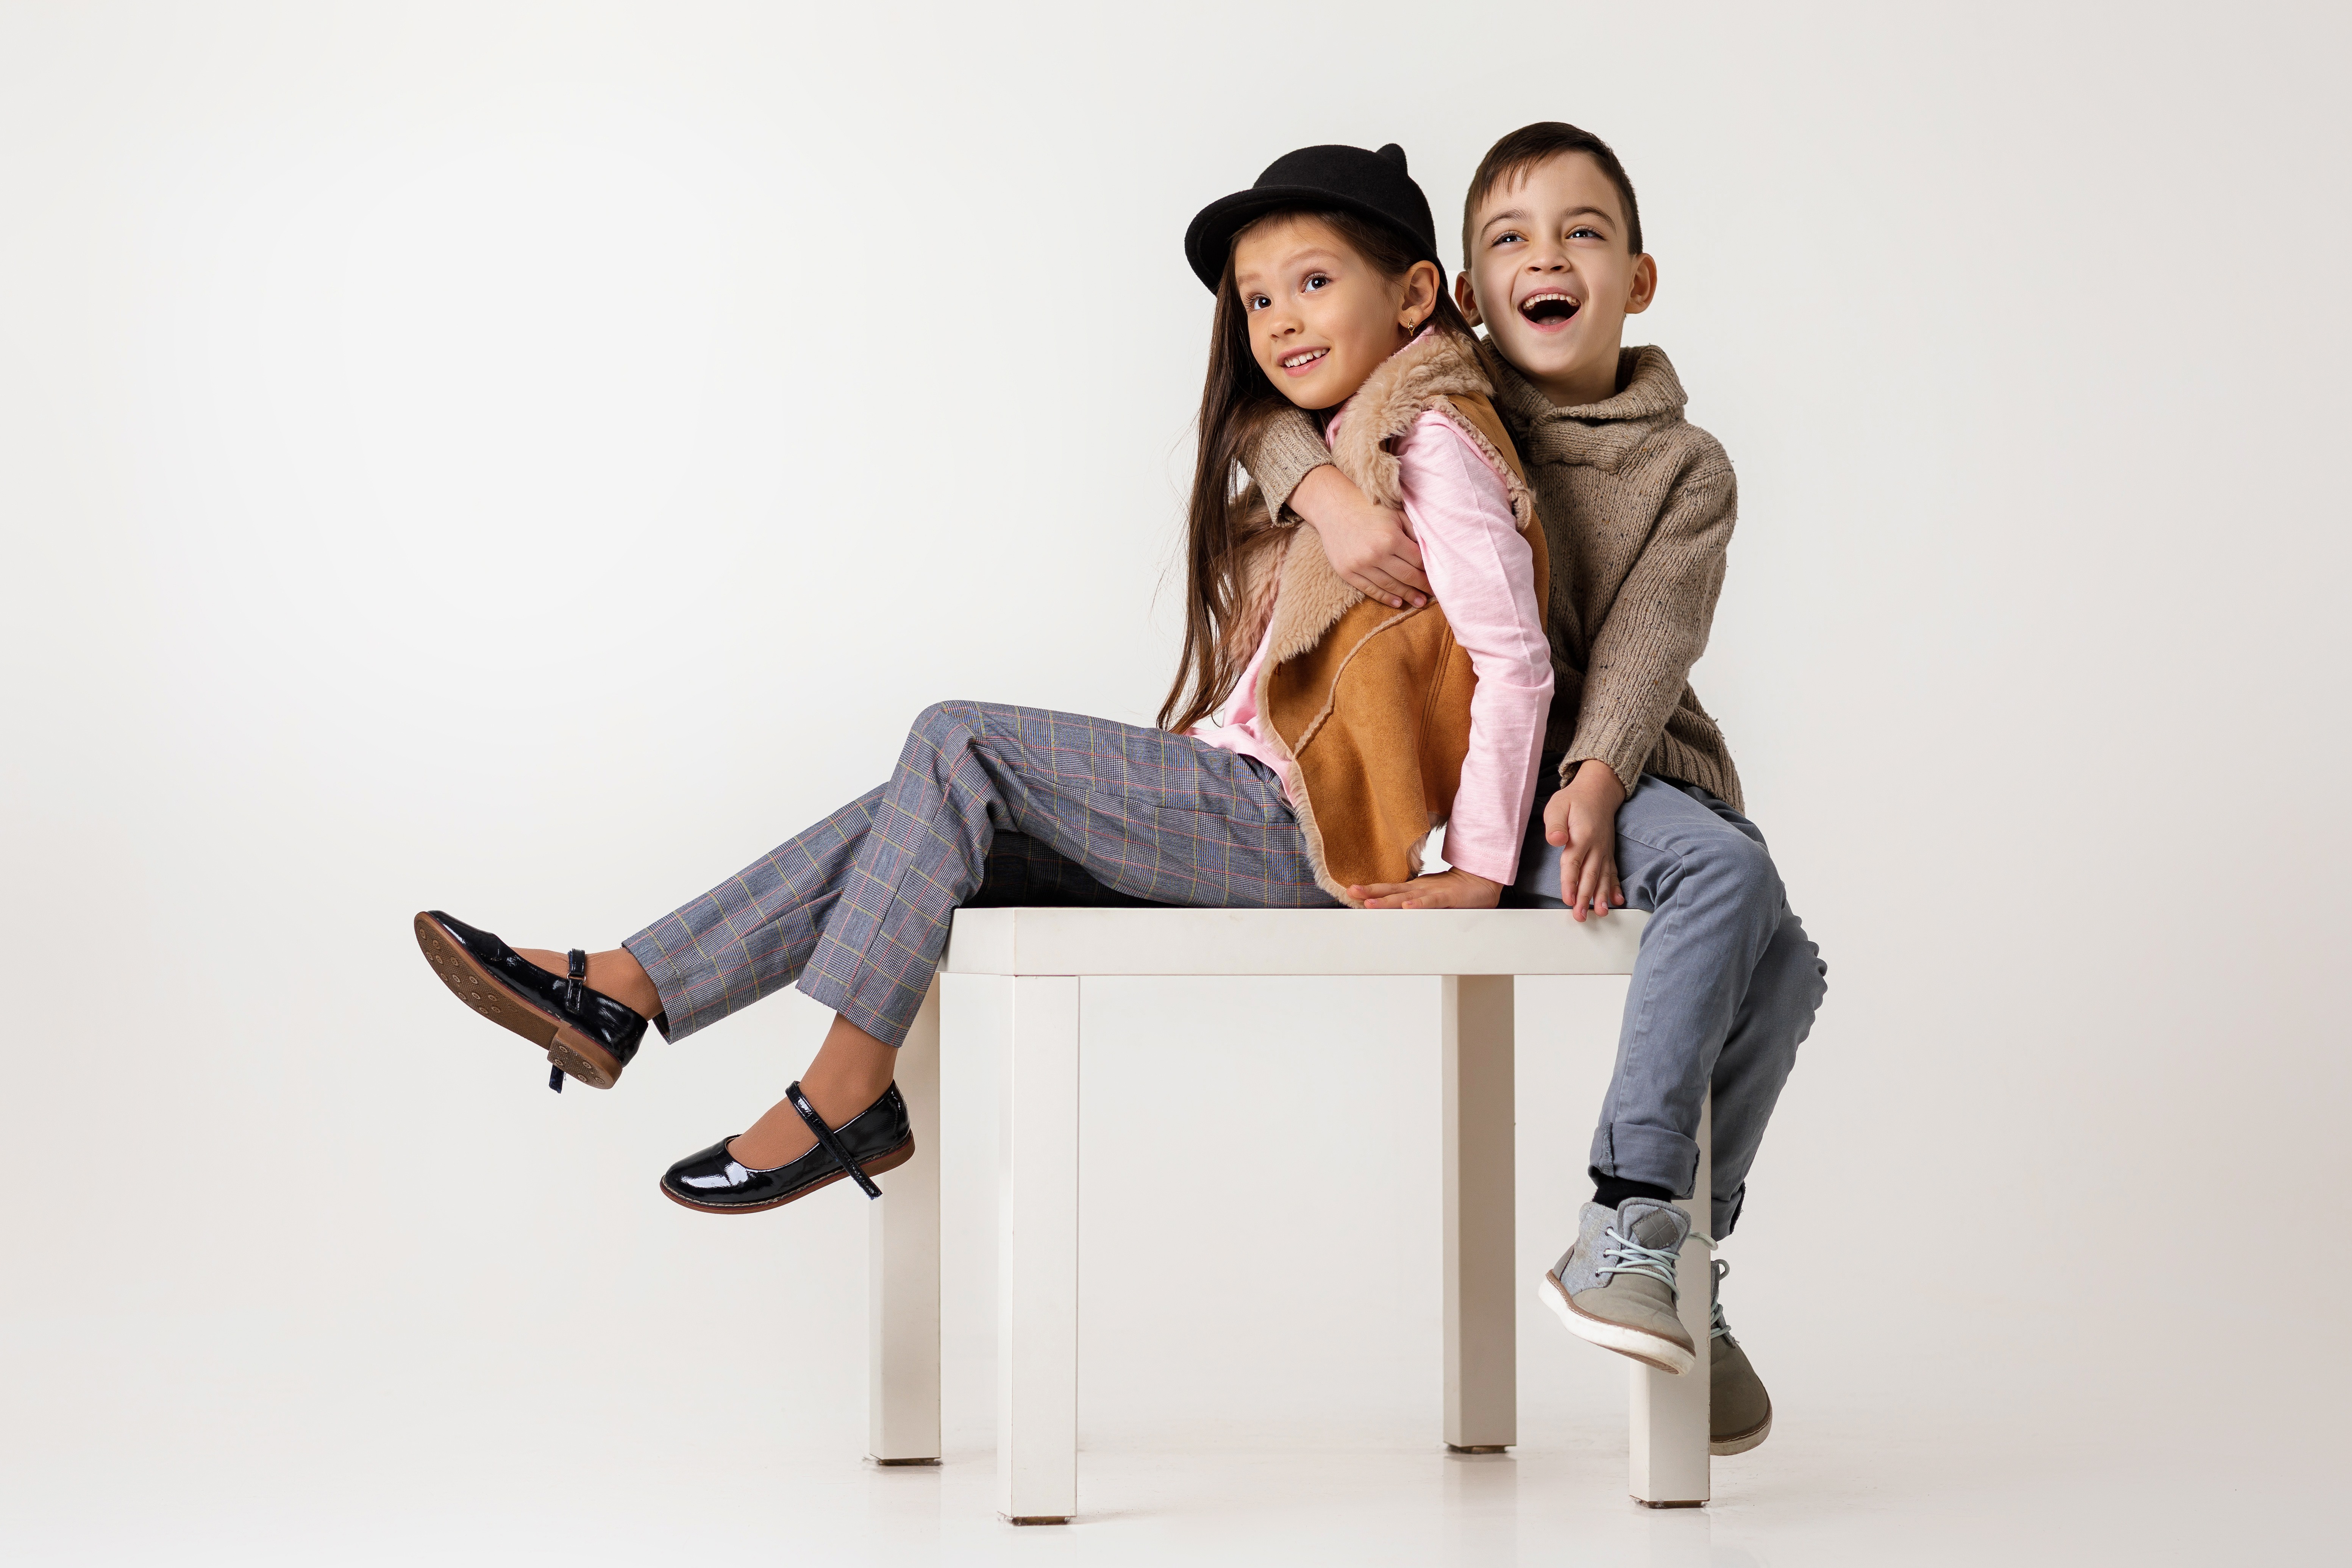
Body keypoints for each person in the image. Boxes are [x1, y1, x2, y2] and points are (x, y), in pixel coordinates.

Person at [413, 143, 1556, 1223]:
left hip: (1296, 830)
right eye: (1257, 300)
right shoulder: (1352, 442)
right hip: (1246, 796)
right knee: (909, 811)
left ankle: (844, 1092)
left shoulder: (1433, 443)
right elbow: (1265, 436)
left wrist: (1482, 868)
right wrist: (1322, 493)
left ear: (1414, 298)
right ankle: (626, 983)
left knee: (960, 738)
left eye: (1311, 282)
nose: (1280, 319)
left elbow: (1514, 655)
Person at [1244, 123, 1827, 1457]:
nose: (1544, 257)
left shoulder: (1686, 467)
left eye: (1581, 234)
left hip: (1616, 769)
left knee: (1787, 967)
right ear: (1458, 287)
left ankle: (1677, 1248)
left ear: (1639, 278)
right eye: (1507, 239)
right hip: (1488, 791)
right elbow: (1270, 410)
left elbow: (1651, 634)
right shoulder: (1439, 398)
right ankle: (1630, 1210)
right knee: (1732, 882)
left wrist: (1601, 761)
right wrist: (1328, 492)